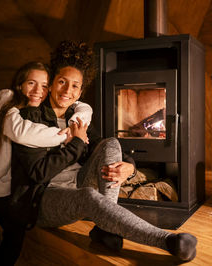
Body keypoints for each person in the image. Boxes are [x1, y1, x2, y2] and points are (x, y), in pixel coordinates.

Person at [11, 41, 197, 262]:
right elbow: (38, 174)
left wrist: (130, 166)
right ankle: (166, 240)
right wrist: (77, 144)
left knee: (111, 143)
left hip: (78, 185)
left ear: (80, 91)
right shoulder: (32, 118)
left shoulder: (78, 117)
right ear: (51, 84)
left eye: (75, 86)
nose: (67, 90)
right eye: (62, 82)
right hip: (42, 200)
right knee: (87, 195)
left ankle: (106, 229)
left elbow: (101, 145)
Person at [0, 61, 93, 266]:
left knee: (15, 239)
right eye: (31, 83)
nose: (38, 91)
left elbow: (82, 105)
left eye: (44, 86)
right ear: (19, 85)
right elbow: (20, 133)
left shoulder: (33, 113)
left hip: (1, 198)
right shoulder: (5, 99)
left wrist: (76, 122)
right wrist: (71, 135)